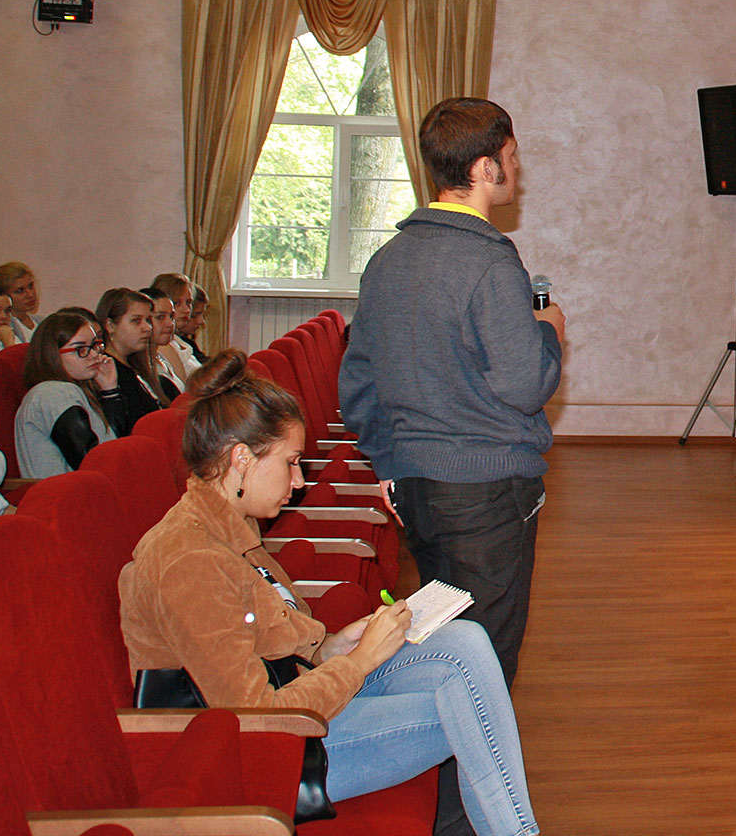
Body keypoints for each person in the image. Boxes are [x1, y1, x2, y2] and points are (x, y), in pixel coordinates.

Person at [119, 353, 539, 836]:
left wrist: (334, 646)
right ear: (241, 458)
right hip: (267, 754)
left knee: (464, 640)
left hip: (300, 699)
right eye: (290, 463)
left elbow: (274, 640)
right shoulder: (190, 560)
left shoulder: (228, 525)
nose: (299, 481)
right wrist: (359, 662)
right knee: (472, 708)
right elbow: (256, 717)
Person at [340, 98, 565, 688]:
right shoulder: (489, 262)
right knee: (482, 664)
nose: (517, 168)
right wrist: (549, 333)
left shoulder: (386, 260)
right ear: (486, 168)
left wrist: (389, 464)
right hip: (486, 493)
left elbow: (360, 382)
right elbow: (524, 385)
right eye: (511, 157)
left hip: (416, 490)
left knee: (443, 647)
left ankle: (444, 750)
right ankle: (472, 755)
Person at [14, 308, 120, 478]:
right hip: (69, 492)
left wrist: (109, 391)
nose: (94, 355)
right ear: (53, 355)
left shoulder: (72, 390)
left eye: (95, 345)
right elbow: (91, 462)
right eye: (80, 349)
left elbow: (114, 446)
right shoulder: (53, 394)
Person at [96, 288, 173, 423]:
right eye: (136, 320)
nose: (148, 328)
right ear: (110, 326)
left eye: (148, 320)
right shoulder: (107, 372)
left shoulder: (137, 368)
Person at [149, 272, 205, 376]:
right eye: (177, 303)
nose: (186, 309)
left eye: (188, 303)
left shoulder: (179, 340)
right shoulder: (162, 345)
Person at [143, 287, 190, 394]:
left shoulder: (161, 358)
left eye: (171, 316)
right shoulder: (140, 367)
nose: (170, 323)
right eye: (160, 317)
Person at [0, 262, 41, 344]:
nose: (30, 295)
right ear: (5, 295)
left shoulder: (42, 322)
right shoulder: (2, 328)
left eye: (30, 286)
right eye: (19, 291)